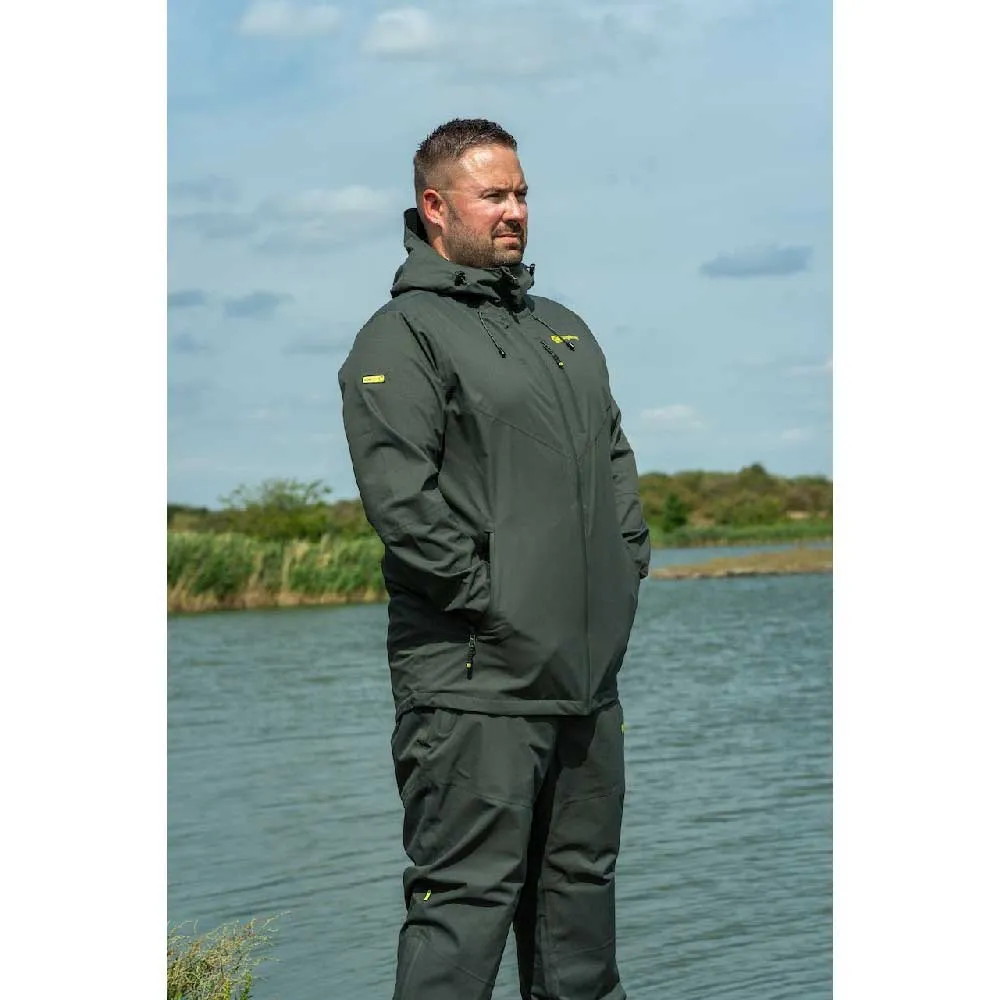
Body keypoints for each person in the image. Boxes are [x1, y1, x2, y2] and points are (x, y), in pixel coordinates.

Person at [339, 118, 650, 1000]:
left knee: (579, 931)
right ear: (436, 207)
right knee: (462, 923)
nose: (515, 211)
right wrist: (497, 603)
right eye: (494, 196)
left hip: (584, 687)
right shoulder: (400, 335)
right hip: (474, 688)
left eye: (521, 194)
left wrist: (622, 575)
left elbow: (616, 465)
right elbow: (403, 503)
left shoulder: (564, 330)